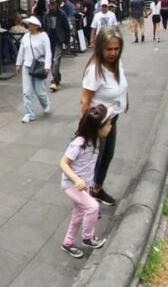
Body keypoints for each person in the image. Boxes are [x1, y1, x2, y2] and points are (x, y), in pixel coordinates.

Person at [79, 26, 129, 207]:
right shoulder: (95, 70)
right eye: (109, 49)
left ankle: (97, 189)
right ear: (100, 48)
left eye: (116, 49)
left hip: (112, 119)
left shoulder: (117, 64)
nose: (113, 53)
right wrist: (89, 130)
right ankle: (86, 200)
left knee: (107, 155)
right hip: (97, 123)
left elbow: (121, 84)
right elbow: (84, 101)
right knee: (93, 160)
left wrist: (124, 101)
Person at [59, 105, 113, 258]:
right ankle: (88, 237)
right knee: (93, 207)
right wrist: (76, 179)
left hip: (84, 185)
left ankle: (67, 243)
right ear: (97, 128)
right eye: (108, 124)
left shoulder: (95, 140)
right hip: (72, 185)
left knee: (78, 214)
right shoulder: (79, 143)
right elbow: (63, 163)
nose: (111, 127)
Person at [15, 16, 51, 123]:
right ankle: (29, 114)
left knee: (40, 92)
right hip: (27, 66)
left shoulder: (43, 36)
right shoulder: (26, 36)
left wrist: (47, 66)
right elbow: (21, 51)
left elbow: (48, 51)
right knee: (27, 92)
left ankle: (45, 103)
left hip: (39, 66)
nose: (29, 26)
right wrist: (18, 64)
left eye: (31, 24)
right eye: (29, 24)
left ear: (36, 26)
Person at [44, 0, 70, 92]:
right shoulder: (46, 15)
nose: (51, 5)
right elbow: (44, 28)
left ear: (56, 4)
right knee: (51, 61)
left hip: (59, 40)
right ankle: (57, 76)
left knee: (56, 60)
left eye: (53, 4)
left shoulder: (61, 14)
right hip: (49, 41)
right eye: (50, 4)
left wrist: (67, 41)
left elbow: (67, 28)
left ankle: (54, 81)